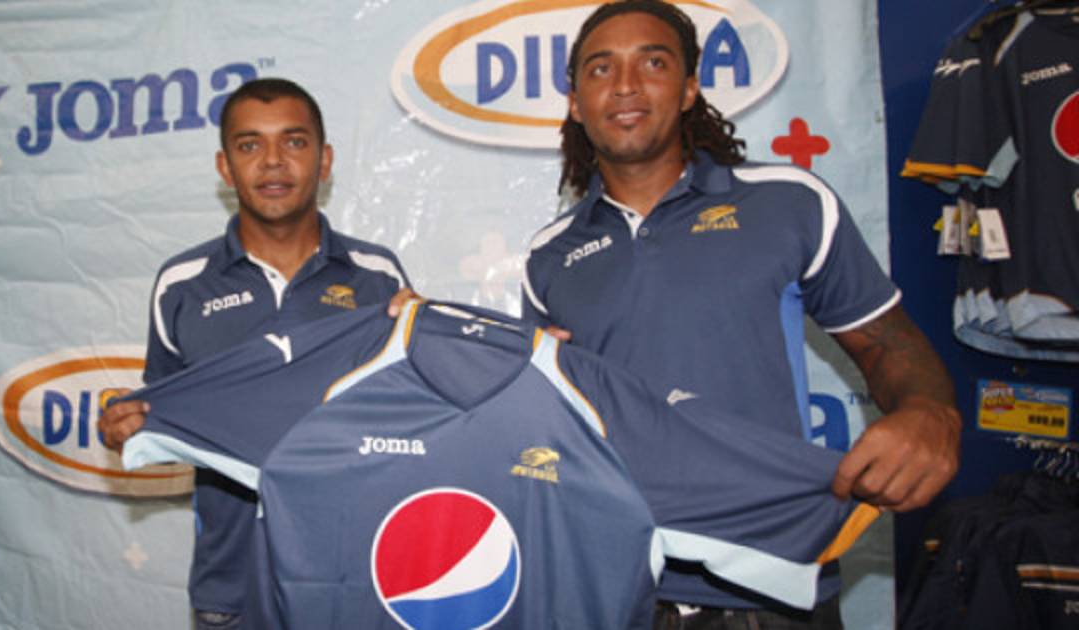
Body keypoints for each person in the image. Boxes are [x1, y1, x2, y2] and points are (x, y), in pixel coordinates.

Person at [519, 2, 962, 628]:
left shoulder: (789, 203)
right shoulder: (547, 255)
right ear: (574, 101)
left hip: (771, 583)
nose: (625, 85)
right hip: (614, 589)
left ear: (689, 88)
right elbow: (545, 425)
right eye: (600, 68)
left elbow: (889, 345)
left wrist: (931, 413)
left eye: (653, 62)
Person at [97, 78, 413, 630]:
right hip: (232, 585)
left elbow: (413, 423)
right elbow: (172, 425)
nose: (272, 161)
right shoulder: (181, 285)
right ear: (225, 167)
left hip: (357, 577)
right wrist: (131, 429)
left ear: (324, 160)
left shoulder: (379, 277)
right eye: (249, 145)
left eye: (294, 141)